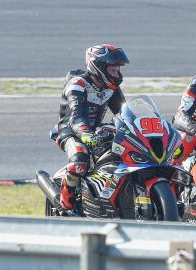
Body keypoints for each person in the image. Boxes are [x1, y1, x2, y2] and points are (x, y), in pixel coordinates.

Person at [55, 44, 130, 210]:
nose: (117, 75)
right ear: (99, 67)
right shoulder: (77, 85)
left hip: (95, 130)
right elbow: (76, 117)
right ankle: (66, 199)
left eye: (118, 70)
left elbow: (123, 112)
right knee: (80, 161)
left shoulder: (111, 88)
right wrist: (86, 134)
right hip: (70, 131)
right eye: (113, 70)